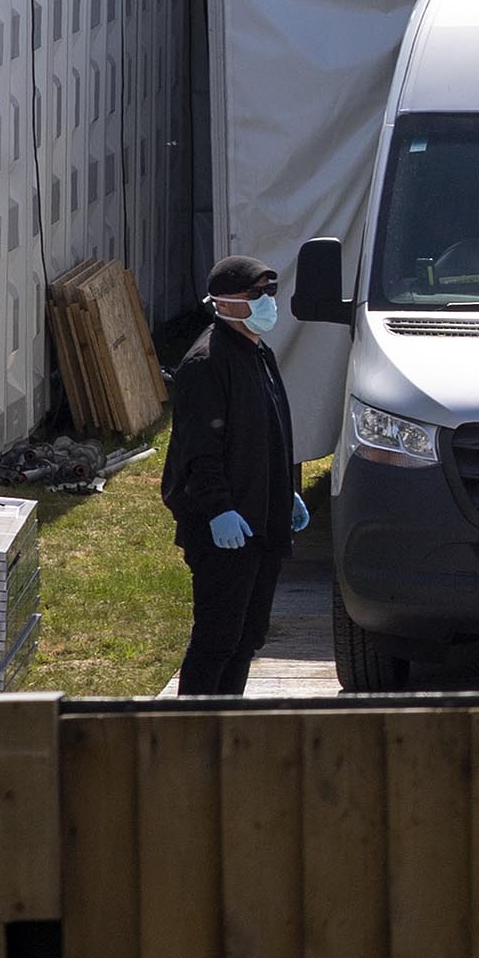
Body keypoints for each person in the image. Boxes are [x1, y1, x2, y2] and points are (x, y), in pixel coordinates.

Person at [159, 255, 309, 696]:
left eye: (271, 292)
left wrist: (286, 493)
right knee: (217, 639)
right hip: (224, 528)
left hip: (260, 518)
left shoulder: (258, 353)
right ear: (224, 303)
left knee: (249, 636)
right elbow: (198, 452)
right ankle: (194, 733)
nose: (268, 303)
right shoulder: (207, 362)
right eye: (256, 294)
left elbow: (267, 434)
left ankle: (228, 726)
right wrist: (218, 509)